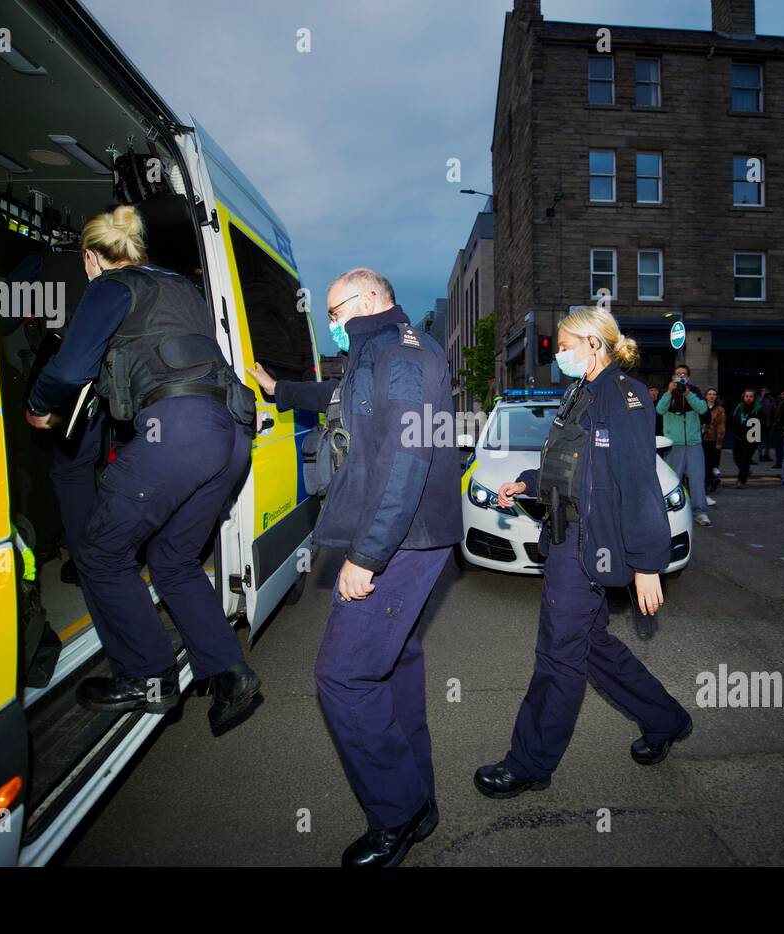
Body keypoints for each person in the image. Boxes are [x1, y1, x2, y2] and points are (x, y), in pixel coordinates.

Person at [249, 267, 460, 867]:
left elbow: (407, 459)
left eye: (336, 314)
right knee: (395, 666)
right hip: (405, 536)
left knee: (342, 677)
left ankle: (396, 815)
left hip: (402, 541)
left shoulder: (403, 358)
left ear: (369, 300)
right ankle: (419, 803)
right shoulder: (384, 351)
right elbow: (344, 401)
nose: (333, 327)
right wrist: (279, 389)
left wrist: (367, 557)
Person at [25, 205, 260, 733]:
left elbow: (69, 368)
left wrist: (40, 404)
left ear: (91, 257)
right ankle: (229, 673)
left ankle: (147, 678)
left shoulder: (111, 287)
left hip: (179, 431)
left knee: (101, 552)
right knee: (173, 558)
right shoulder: (180, 287)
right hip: (231, 431)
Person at [476, 307, 693, 800]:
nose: (560, 353)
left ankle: (529, 763)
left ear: (596, 344)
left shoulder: (625, 397)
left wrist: (647, 565)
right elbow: (571, 464)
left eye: (568, 344)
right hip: (565, 538)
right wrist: (527, 482)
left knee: (558, 657)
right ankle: (667, 720)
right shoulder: (581, 393)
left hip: (585, 546)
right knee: (591, 648)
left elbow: (639, 485)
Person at [655, 363, 710, 527]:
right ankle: (670, 513)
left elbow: (702, 410)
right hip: (674, 444)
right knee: (673, 479)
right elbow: (659, 410)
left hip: (693, 443)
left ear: (688, 377)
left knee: (697, 479)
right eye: (678, 374)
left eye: (684, 374)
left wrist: (688, 394)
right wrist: (669, 392)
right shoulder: (668, 393)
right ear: (673, 377)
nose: (681, 376)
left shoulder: (694, 391)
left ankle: (699, 512)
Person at [730, 388, 763, 487]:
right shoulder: (738, 407)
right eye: (747, 396)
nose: (748, 398)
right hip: (738, 437)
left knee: (745, 459)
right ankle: (745, 472)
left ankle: (741, 481)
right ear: (743, 397)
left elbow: (762, 424)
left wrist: (758, 437)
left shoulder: (758, 409)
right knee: (736, 457)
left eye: (751, 396)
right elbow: (732, 419)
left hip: (752, 437)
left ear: (754, 398)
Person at [701, 386, 726, 494]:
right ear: (706, 396)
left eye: (714, 394)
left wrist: (719, 441)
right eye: (709, 394)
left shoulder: (720, 410)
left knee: (712, 462)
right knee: (703, 462)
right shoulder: (701, 407)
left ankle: (710, 482)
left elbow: (721, 426)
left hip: (713, 439)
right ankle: (707, 482)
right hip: (700, 438)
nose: (711, 396)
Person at [757, 386, 776, 461]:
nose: (764, 392)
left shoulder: (771, 399)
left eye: (766, 390)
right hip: (761, 423)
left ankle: (767, 454)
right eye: (762, 390)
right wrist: (762, 397)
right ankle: (760, 455)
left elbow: (774, 409)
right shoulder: (758, 399)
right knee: (760, 440)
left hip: (769, 423)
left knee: (768, 440)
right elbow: (757, 407)